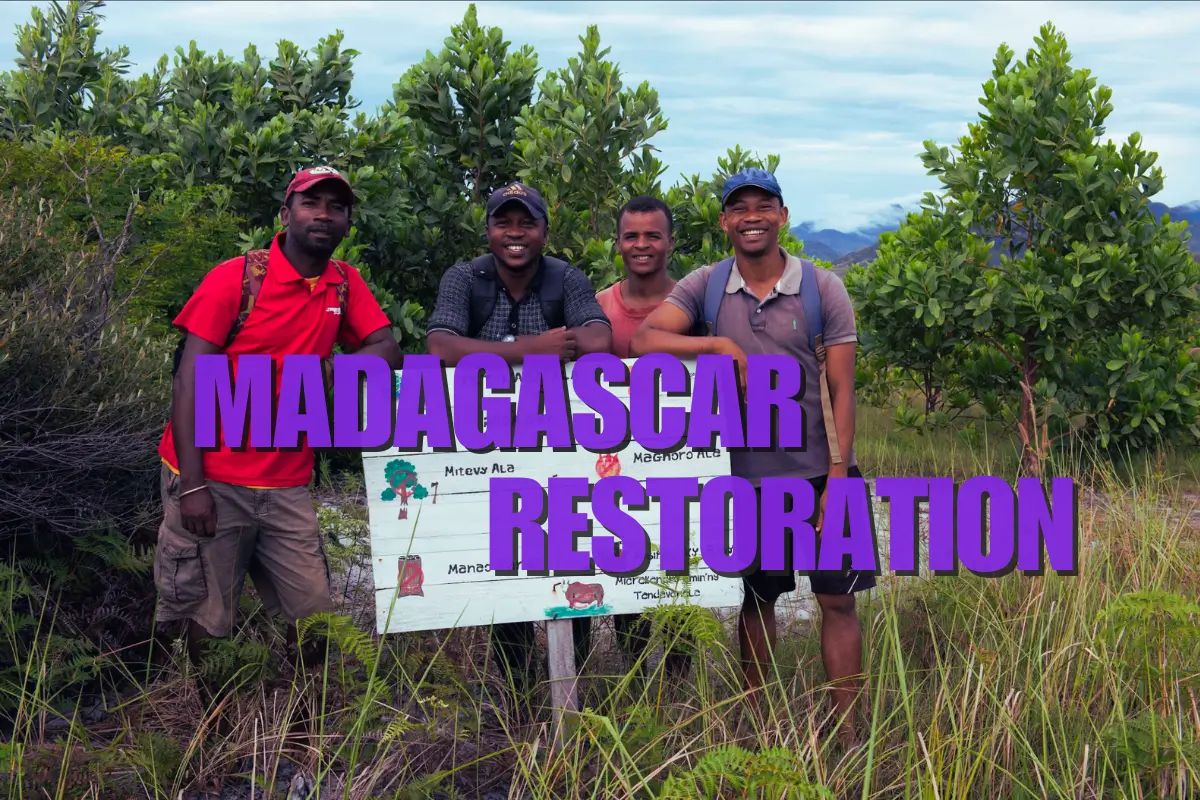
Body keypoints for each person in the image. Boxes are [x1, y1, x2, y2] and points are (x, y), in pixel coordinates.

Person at [631, 168, 873, 742]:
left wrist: (839, 477)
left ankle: (849, 735)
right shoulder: (707, 285)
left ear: (783, 216)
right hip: (745, 479)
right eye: (739, 208)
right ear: (724, 222)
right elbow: (645, 340)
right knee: (756, 601)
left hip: (820, 473)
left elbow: (843, 388)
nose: (752, 216)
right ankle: (758, 731)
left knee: (838, 602)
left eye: (764, 205)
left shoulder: (822, 289)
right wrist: (717, 342)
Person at [156, 165, 403, 674]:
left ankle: (304, 718)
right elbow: (188, 382)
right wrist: (193, 486)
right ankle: (216, 717)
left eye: (336, 207)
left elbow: (387, 348)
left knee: (315, 618)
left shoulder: (343, 283)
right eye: (311, 203)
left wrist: (327, 370)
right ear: (285, 214)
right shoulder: (237, 278)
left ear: (348, 223)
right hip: (212, 473)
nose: (324, 215)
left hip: (286, 481)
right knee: (209, 617)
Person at [425, 181, 612, 700]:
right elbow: (439, 347)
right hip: (486, 449)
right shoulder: (465, 278)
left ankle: (571, 685)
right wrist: (532, 348)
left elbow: (598, 339)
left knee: (568, 556)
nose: (515, 233)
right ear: (488, 230)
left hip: (558, 448)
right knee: (503, 570)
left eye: (526, 222)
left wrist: (487, 351)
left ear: (544, 231)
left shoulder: (564, 277)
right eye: (503, 222)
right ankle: (518, 694)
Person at [597, 195, 690, 678]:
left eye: (653, 235)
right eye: (631, 235)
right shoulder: (599, 307)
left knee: (683, 579)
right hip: (616, 471)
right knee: (627, 579)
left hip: (681, 467)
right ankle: (634, 682)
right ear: (617, 243)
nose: (641, 245)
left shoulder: (692, 306)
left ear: (670, 242)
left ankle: (676, 691)